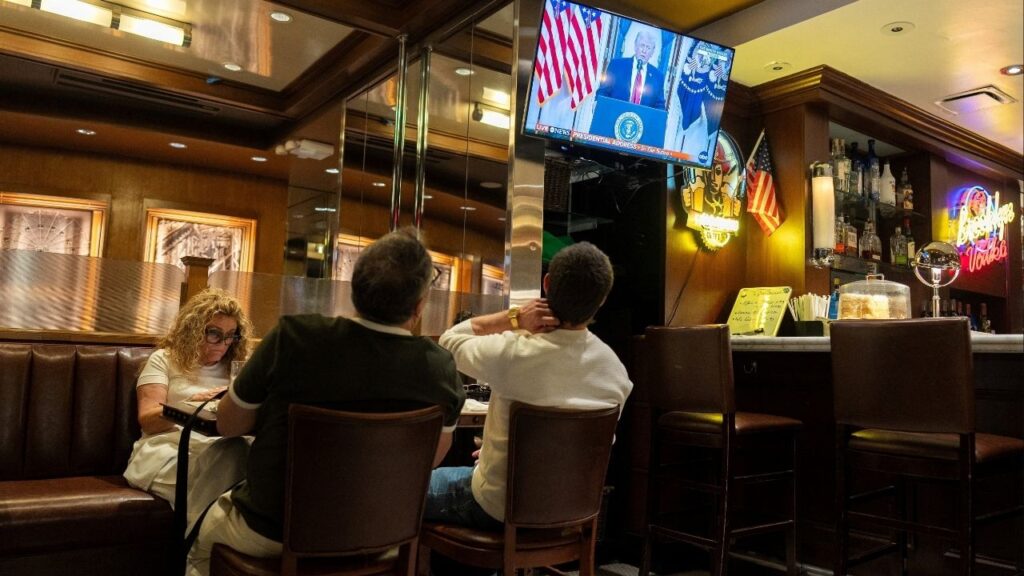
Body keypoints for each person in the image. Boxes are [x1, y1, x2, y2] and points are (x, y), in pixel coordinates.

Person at [186, 229, 465, 576]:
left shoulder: (293, 339)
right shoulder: (440, 368)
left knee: (199, 548)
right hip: (379, 539)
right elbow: (429, 459)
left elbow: (229, 424)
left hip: (272, 531)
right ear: (420, 304)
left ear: (354, 289)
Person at [424, 241, 633, 537]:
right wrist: (505, 451)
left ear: (546, 284)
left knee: (408, 486)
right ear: (602, 299)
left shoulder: (515, 352)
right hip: (571, 511)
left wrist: (514, 318)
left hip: (500, 508)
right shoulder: (616, 373)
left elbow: (449, 341)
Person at [124, 288, 253, 531]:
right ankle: (199, 556)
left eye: (230, 336)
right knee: (232, 457)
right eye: (214, 333)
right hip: (166, 451)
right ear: (193, 330)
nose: (223, 344)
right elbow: (148, 420)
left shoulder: (238, 369)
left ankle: (197, 553)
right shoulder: (164, 359)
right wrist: (194, 404)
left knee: (241, 451)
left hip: (219, 448)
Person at [597, 29, 666, 110]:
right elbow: (603, 92)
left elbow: (660, 106)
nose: (644, 50)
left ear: (652, 52)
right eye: (642, 45)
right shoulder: (616, 65)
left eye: (648, 48)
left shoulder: (658, 76)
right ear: (635, 46)